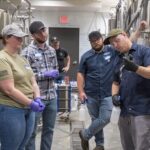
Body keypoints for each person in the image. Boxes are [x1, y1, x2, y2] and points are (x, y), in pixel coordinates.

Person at [77, 21, 148, 150]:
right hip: (93, 94)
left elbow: (129, 41)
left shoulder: (115, 51)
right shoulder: (87, 56)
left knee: (105, 118)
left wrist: (139, 30)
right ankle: (99, 144)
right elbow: (81, 74)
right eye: (92, 41)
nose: (95, 43)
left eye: (97, 40)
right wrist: (81, 91)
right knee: (95, 119)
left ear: (101, 39)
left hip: (111, 95)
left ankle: (85, 134)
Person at [0, 24, 45, 150]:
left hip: (28, 109)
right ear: (7, 38)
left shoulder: (22, 59)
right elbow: (8, 89)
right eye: (18, 37)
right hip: (11, 109)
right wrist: (31, 103)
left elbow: (33, 81)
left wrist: (38, 98)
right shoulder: (2, 59)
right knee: (11, 147)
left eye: (22, 38)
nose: (21, 40)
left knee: (22, 146)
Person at [104, 28, 150, 150]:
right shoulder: (117, 59)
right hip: (123, 112)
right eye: (112, 44)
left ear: (125, 35)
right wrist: (114, 95)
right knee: (127, 146)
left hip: (141, 111)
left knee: (142, 146)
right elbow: (115, 82)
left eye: (117, 41)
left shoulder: (144, 51)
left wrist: (135, 68)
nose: (115, 45)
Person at [21, 21, 59, 150]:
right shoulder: (27, 52)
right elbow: (25, 77)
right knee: (31, 132)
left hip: (52, 96)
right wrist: (46, 74)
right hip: (36, 98)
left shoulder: (52, 50)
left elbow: (56, 69)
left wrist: (55, 73)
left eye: (44, 30)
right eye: (39, 32)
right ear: (33, 35)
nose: (43, 34)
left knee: (49, 130)